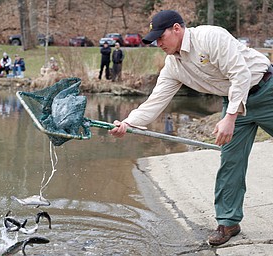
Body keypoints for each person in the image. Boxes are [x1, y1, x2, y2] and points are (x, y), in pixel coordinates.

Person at [109, 10, 272, 246]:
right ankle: (228, 222)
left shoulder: (210, 37)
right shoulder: (173, 65)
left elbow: (240, 74)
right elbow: (156, 100)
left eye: (161, 37)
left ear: (177, 28)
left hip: (266, 90)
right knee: (230, 163)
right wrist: (128, 123)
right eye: (155, 39)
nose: (158, 43)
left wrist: (229, 117)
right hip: (234, 102)